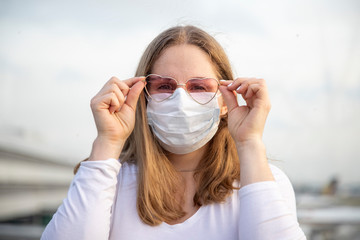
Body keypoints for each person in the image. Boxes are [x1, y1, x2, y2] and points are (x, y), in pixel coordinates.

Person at [41, 25, 306, 240]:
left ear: (225, 100)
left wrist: (249, 143)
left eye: (199, 87)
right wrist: (107, 142)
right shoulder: (111, 180)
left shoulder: (264, 182)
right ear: (142, 97)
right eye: (165, 86)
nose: (181, 100)